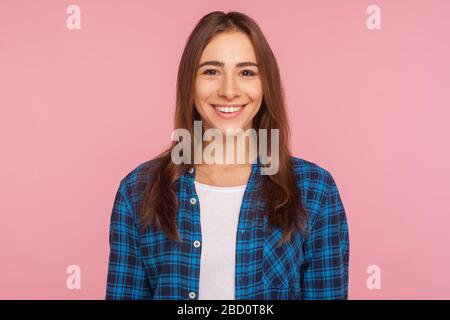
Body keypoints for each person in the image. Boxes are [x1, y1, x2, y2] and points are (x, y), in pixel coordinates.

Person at [105, 11, 349, 300]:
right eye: (211, 71)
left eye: (246, 72)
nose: (229, 91)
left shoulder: (315, 189)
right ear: (190, 83)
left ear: (265, 84)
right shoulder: (138, 190)